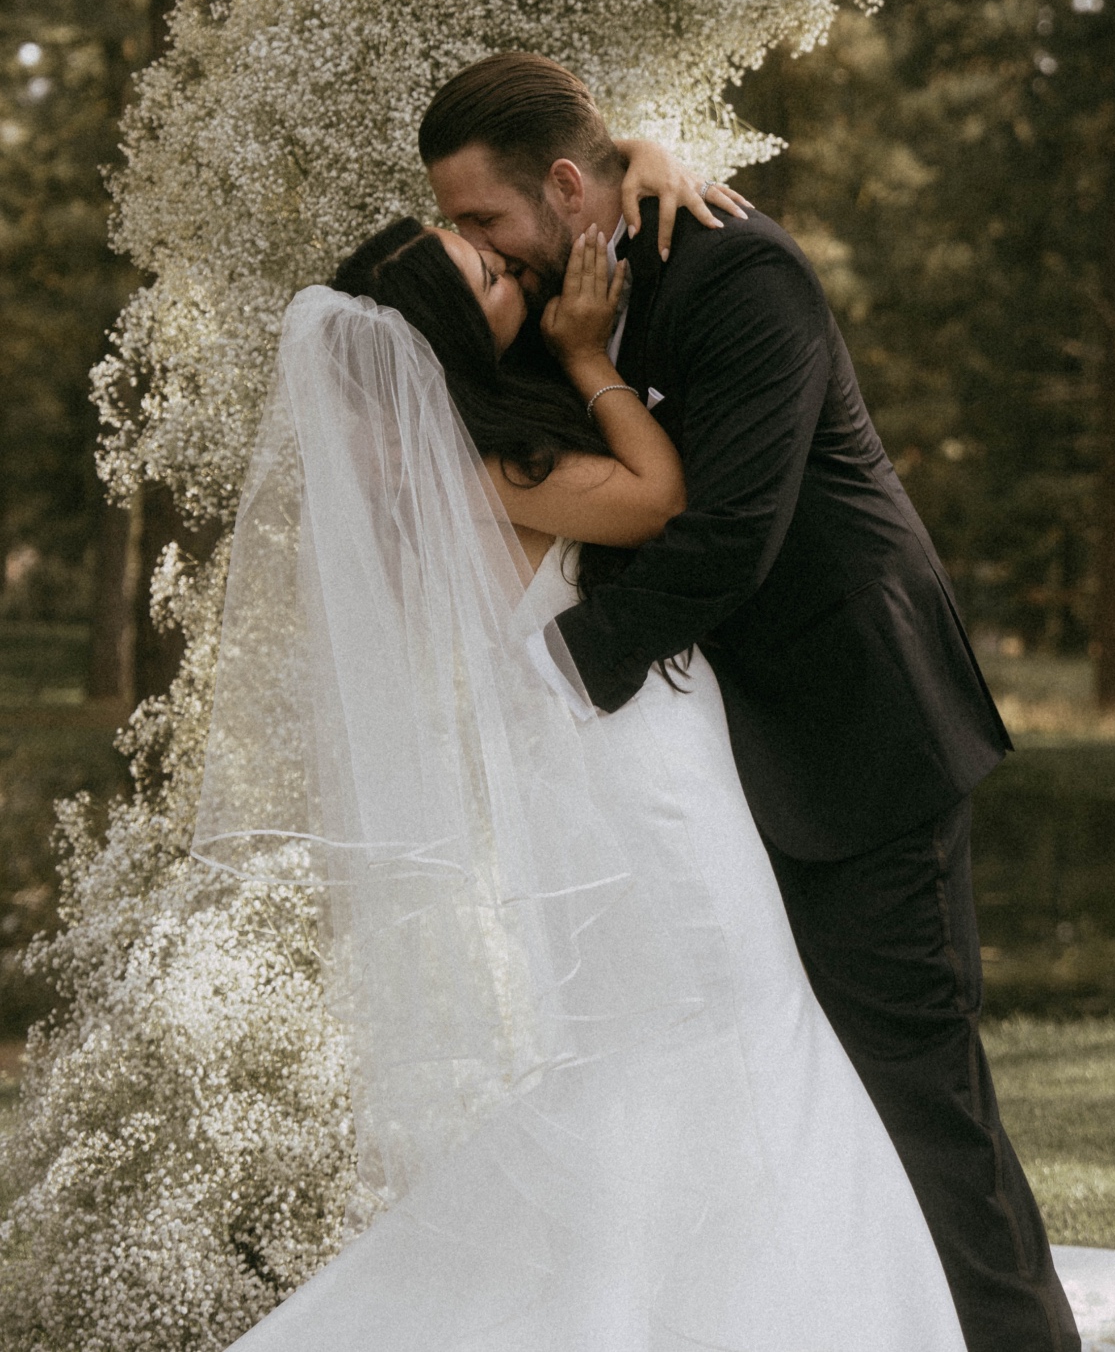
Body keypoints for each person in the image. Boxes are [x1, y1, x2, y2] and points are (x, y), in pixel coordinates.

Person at [198, 165, 971, 1351]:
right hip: (637, 777)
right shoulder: (486, 460)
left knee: (703, 1036)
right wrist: (585, 357)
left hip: (632, 757)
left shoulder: (464, 445)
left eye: (488, 245)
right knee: (730, 1020)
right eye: (483, 273)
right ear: (444, 332)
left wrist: (646, 155)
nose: (506, 266)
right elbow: (662, 497)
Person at [418, 52, 1081, 1352]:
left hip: (857, 733)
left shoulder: (739, 272)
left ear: (563, 184)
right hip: (717, 769)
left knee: (919, 1098)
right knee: (794, 1097)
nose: (475, 244)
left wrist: (558, 674)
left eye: (487, 219)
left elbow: (731, 534)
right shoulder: (571, 311)